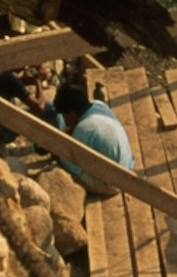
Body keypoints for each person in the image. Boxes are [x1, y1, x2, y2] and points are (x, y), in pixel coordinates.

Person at [48, 68, 131, 196]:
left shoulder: (84, 129)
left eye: (64, 115)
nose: (64, 119)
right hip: (127, 166)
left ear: (72, 114)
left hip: (112, 185)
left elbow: (72, 167)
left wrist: (55, 151)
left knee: (64, 172)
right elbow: (76, 126)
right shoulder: (98, 105)